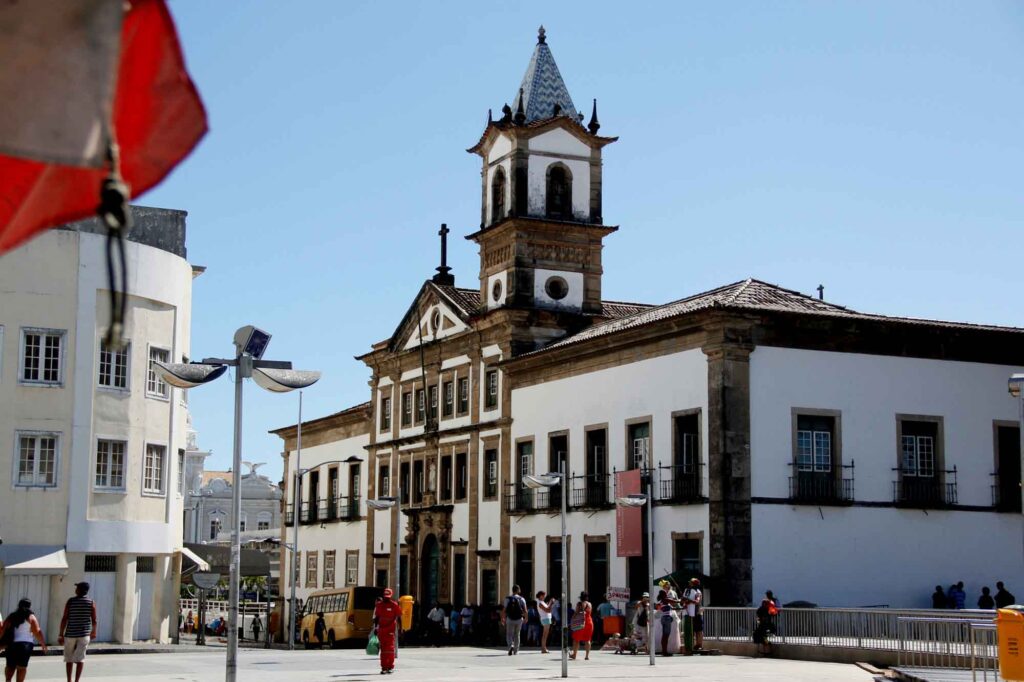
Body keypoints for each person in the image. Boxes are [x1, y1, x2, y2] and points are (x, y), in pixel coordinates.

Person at [2, 598, 48, 682]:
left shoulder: (12, 616)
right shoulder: (30, 616)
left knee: (10, 666)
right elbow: (37, 631)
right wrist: (43, 644)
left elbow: (3, 629)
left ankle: (8, 680)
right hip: (25, 646)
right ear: (29, 606)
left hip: (12, 645)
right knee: (21, 668)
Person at [59, 582, 96, 682]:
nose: (75, 589)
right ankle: (77, 680)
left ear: (80, 590)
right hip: (84, 634)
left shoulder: (71, 601)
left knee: (69, 658)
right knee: (80, 659)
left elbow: (64, 618)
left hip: (70, 634)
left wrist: (60, 634)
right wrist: (93, 632)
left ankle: (69, 680)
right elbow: (94, 619)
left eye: (77, 588)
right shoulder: (91, 602)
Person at [372, 588, 401, 675]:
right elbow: (377, 618)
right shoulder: (379, 605)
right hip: (382, 630)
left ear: (391, 596)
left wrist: (400, 629)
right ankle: (384, 667)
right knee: (383, 649)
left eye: (388, 597)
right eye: (385, 597)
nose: (386, 598)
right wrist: (376, 628)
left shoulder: (394, 605)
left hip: (391, 630)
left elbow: (399, 617)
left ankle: (390, 666)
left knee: (390, 649)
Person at [501, 584, 528, 655]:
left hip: (510, 618)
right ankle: (516, 651)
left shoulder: (508, 598)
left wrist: (502, 618)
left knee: (509, 634)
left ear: (512, 590)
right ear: (518, 590)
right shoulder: (522, 599)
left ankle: (510, 646)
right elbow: (525, 610)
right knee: (517, 634)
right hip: (519, 619)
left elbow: (504, 610)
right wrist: (526, 618)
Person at [654, 589, 680, 656]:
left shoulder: (662, 601)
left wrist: (682, 608)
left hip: (663, 618)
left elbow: (672, 608)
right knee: (666, 636)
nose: (666, 594)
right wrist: (681, 600)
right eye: (665, 593)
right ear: (663, 594)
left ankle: (664, 651)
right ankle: (664, 652)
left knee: (664, 636)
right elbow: (675, 601)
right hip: (667, 619)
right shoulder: (665, 599)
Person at [569, 591, 593, 661]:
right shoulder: (589, 604)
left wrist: (572, 619)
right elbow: (589, 613)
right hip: (589, 622)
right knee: (587, 639)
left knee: (576, 639)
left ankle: (574, 655)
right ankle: (587, 656)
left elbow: (576, 613)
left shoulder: (579, 604)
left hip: (580, 622)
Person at [681, 577, 703, 653]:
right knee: (691, 630)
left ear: (694, 584)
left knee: (698, 630)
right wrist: (684, 600)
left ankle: (699, 645)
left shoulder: (698, 592)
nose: (689, 584)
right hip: (689, 613)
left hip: (697, 613)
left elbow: (697, 601)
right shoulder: (688, 591)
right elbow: (683, 601)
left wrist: (689, 601)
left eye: (691, 583)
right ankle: (691, 645)